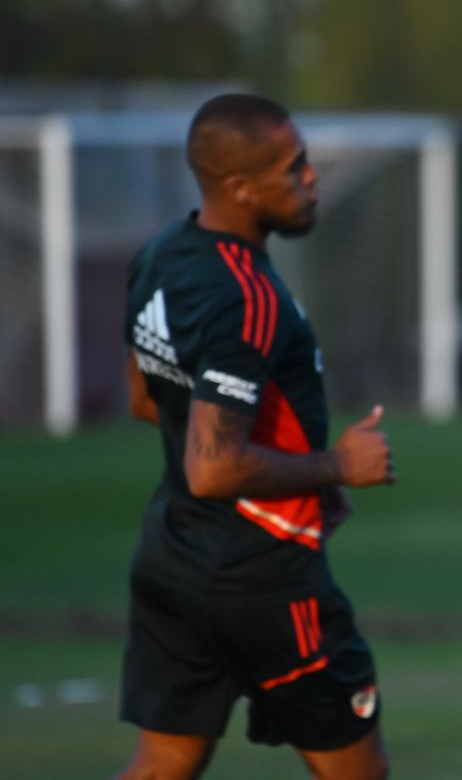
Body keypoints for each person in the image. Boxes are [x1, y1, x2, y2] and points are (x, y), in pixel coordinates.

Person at [119, 93, 394, 780]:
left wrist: (291, 468)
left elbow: (143, 399)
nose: (311, 178)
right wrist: (337, 465)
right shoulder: (248, 296)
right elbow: (213, 466)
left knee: (161, 767)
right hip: (266, 579)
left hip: (172, 558)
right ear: (240, 187)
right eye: (293, 167)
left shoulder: (161, 255)